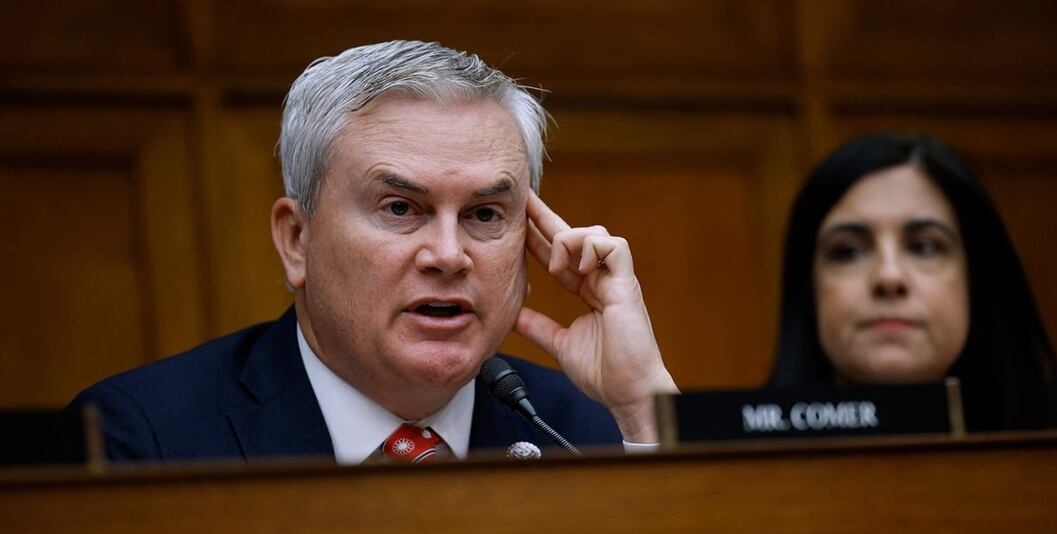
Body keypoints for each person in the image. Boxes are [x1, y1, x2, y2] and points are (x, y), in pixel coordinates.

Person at [70, 40, 677, 462]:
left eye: (485, 214)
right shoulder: (142, 439)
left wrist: (642, 405)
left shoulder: (588, 429)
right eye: (399, 209)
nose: (448, 254)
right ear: (296, 240)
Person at [769, 133, 1057, 431]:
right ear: (809, 289)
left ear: (976, 280)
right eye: (848, 251)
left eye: (924, 247)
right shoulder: (732, 464)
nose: (889, 276)